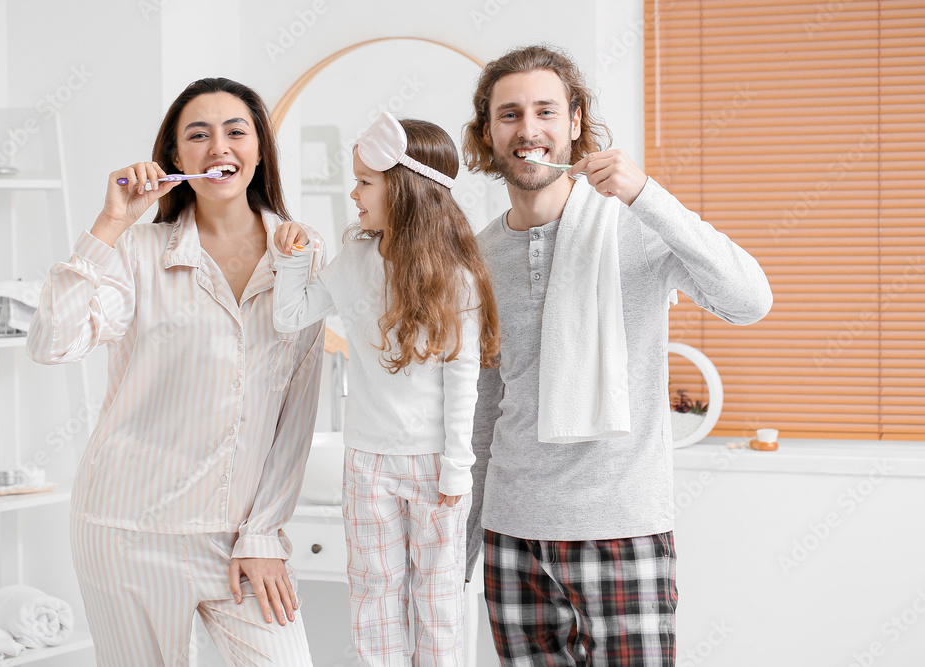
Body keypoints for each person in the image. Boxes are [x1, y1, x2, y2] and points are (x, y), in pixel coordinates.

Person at [462, 45, 773, 666]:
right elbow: (482, 407)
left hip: (621, 527)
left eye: (546, 111)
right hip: (512, 534)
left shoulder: (636, 227)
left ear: (575, 122)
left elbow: (749, 300)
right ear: (487, 132)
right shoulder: (479, 254)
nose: (529, 130)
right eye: (510, 114)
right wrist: (465, 543)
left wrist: (649, 196)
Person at [27, 77, 323, 666]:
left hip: (237, 540)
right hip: (124, 529)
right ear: (175, 158)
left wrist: (263, 533)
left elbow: (297, 410)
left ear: (260, 149)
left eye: (236, 131)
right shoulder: (136, 253)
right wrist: (108, 226)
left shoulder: (300, 256)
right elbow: (53, 344)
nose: (220, 147)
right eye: (199, 135)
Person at [271, 111, 500, 666]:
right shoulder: (354, 258)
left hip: (432, 466)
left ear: (403, 188)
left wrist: (455, 467)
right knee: (373, 598)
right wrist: (293, 258)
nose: (353, 194)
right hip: (367, 461)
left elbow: (462, 377)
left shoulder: (456, 278)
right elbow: (291, 316)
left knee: (438, 602)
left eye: (364, 182)